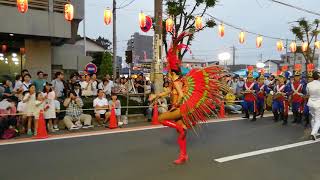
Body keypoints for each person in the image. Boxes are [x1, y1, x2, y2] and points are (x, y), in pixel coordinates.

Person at [150, 32, 228, 165]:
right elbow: (169, 91)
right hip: (181, 107)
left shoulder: (176, 81)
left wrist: (176, 105)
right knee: (181, 137)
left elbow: (180, 95)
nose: (167, 73)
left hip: (181, 108)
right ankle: (183, 155)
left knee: (160, 118)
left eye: (168, 71)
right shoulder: (180, 80)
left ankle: (182, 130)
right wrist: (157, 95)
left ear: (172, 72)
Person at [306, 71, 320, 140]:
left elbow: (307, 93)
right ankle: (313, 133)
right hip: (318, 103)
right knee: (318, 119)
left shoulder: (308, 84)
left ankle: (314, 131)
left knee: (313, 118)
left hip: (310, 102)